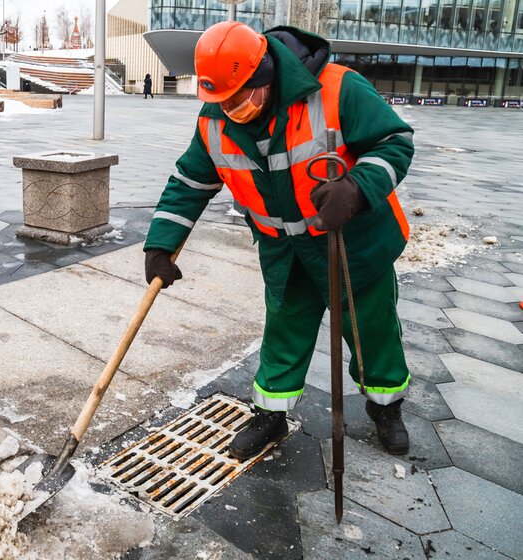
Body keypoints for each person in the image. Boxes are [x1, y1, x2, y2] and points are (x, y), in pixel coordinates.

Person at [143, 22, 414, 458]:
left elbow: (393, 142)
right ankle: (269, 415)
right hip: (285, 249)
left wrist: (357, 187)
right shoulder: (215, 117)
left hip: (352, 241)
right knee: (284, 331)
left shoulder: (338, 88)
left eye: (238, 97)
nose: (230, 108)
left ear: (263, 75)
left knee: (372, 328)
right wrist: (160, 244)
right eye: (221, 100)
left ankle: (386, 408)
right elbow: (189, 182)